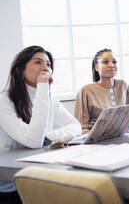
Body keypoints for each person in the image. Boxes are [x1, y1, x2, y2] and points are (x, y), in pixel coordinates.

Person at [0, 45, 82, 202]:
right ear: (20, 70)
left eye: (49, 64)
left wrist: (49, 136)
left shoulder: (48, 97)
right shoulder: (4, 100)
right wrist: (43, 87)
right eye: (38, 62)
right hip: (11, 186)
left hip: (38, 173)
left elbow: (76, 125)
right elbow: (34, 142)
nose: (45, 68)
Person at [75, 49, 129, 133]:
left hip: (122, 135)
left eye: (114, 62)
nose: (111, 65)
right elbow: (81, 127)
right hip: (98, 141)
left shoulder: (123, 85)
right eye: (105, 62)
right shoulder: (85, 91)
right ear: (96, 67)